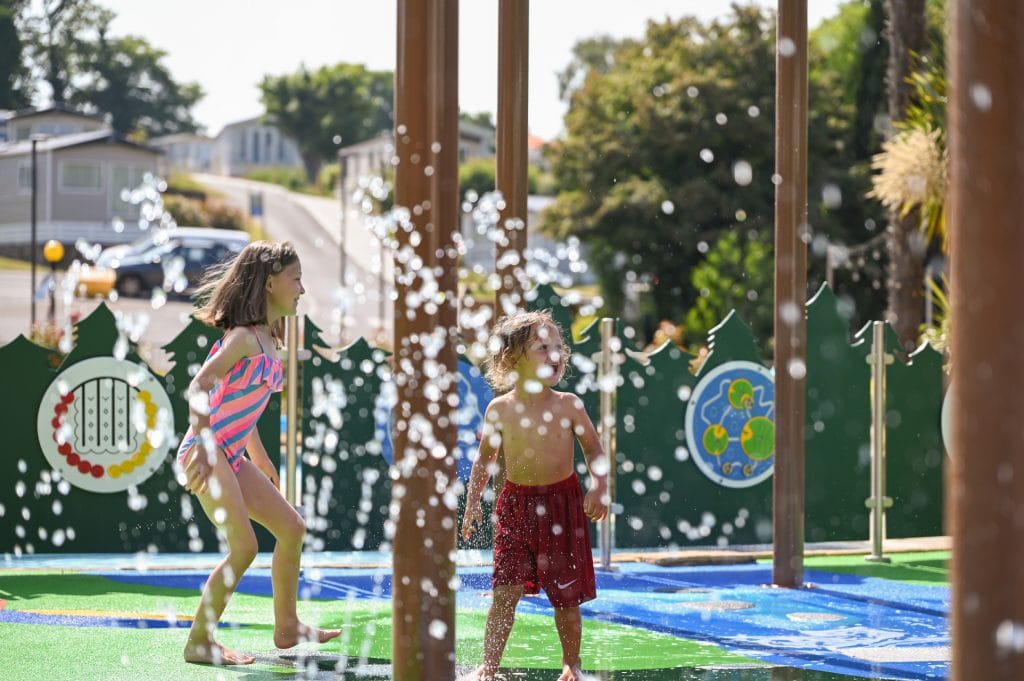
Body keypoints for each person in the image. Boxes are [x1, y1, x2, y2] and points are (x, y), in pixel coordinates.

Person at [176, 240, 339, 665]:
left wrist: (260, 457)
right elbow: (199, 387)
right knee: (245, 546)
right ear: (270, 284)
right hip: (205, 451)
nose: (302, 289)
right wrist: (208, 447)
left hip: (230, 454)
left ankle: (286, 626)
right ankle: (199, 641)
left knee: (291, 528)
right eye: (296, 279)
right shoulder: (245, 338)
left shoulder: (270, 338)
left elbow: (240, 405)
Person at [461, 310, 609, 681]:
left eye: (558, 347)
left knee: (566, 598)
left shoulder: (568, 404)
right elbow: (485, 459)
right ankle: (489, 666)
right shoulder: (500, 409)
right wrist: (472, 502)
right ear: (513, 360)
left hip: (562, 507)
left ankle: (570, 663)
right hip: (515, 507)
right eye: (543, 348)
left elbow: (593, 449)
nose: (555, 355)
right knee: (504, 594)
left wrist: (600, 486)